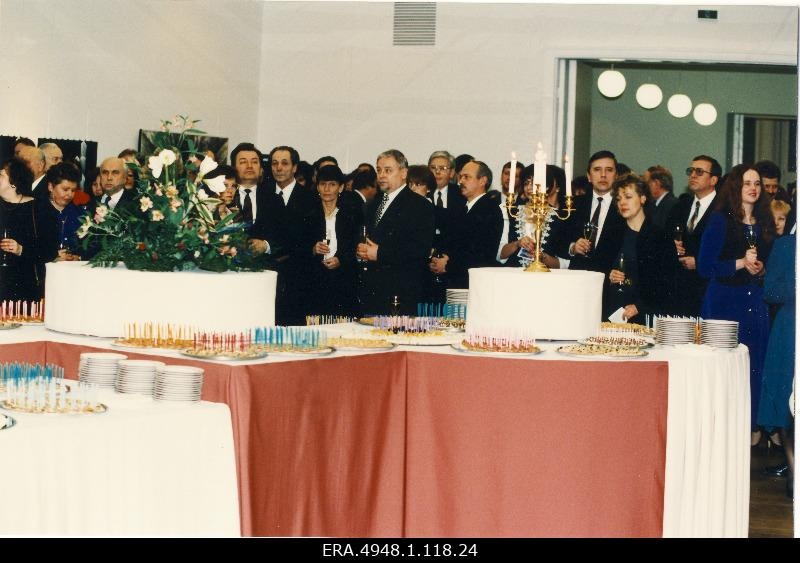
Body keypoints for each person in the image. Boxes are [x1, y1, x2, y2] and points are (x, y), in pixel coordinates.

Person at [698, 164, 775, 446]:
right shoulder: (720, 220)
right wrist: (741, 263)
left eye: (757, 183)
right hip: (724, 303)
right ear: (735, 187)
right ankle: (721, 431)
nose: (753, 188)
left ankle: (751, 428)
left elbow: (769, 265)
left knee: (754, 365)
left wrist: (761, 269)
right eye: (747, 183)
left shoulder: (765, 222)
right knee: (725, 368)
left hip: (754, 301)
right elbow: (705, 267)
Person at [356, 149, 434, 315]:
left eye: (388, 170)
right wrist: (361, 251)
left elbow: (420, 251)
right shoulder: (372, 205)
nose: (382, 175)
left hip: (400, 295)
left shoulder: (419, 206)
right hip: (372, 293)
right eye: (379, 170)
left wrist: (380, 253)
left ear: (404, 173)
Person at [606, 175, 678, 323]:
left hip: (645, 314)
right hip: (614, 311)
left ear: (643, 199)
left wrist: (640, 306)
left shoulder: (660, 236)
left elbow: (669, 283)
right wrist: (609, 275)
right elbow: (600, 268)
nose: (622, 203)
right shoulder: (613, 233)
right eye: (618, 199)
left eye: (628, 197)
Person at [756, 232, 795, 496]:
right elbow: (770, 291)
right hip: (790, 330)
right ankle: (794, 471)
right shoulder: (786, 245)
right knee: (785, 400)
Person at [430, 160, 502, 289]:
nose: (460, 181)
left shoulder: (489, 209)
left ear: (482, 181)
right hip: (458, 280)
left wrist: (448, 265)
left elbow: (480, 253)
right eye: (460, 177)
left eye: (466, 177)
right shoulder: (463, 208)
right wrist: (436, 259)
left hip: (473, 283)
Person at [665, 155, 722, 317]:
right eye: (691, 171)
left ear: (713, 180)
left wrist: (700, 262)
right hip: (679, 289)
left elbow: (727, 250)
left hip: (707, 289)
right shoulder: (680, 206)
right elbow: (665, 239)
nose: (693, 175)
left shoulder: (723, 209)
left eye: (699, 172)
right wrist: (671, 246)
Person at [302, 165, 360, 317]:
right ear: (317, 187)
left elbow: (355, 245)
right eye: (323, 184)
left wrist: (341, 259)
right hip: (314, 280)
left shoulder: (351, 214)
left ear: (340, 188)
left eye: (332, 184)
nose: (327, 189)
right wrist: (313, 248)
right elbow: (297, 245)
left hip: (343, 279)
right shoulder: (307, 213)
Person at [0, 157, 46, 300]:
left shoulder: (36, 208)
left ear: (13, 183)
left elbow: (47, 250)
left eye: (1, 175)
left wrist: (21, 249)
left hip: (24, 283)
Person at [37, 162, 86, 263]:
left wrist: (79, 257)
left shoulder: (80, 213)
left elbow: (88, 246)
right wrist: (52, 256)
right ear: (51, 187)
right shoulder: (36, 211)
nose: (69, 194)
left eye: (73, 190)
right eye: (65, 189)